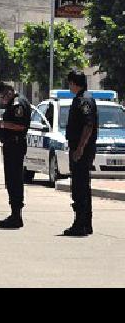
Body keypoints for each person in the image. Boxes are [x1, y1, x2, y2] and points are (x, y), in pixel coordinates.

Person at [63, 70, 97, 237]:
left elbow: (88, 125)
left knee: (79, 188)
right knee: (83, 186)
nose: (69, 86)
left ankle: (80, 224)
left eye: (70, 83)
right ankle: (86, 224)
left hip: (81, 150)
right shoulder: (83, 98)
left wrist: (80, 148)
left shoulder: (84, 100)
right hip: (80, 149)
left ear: (74, 84)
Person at [0, 82, 31, 229]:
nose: (2, 101)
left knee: (14, 180)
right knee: (11, 180)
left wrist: (2, 124)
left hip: (15, 145)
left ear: (9, 92)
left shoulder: (17, 104)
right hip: (11, 145)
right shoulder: (14, 103)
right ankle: (14, 214)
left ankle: (16, 216)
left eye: (2, 97)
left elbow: (20, 126)